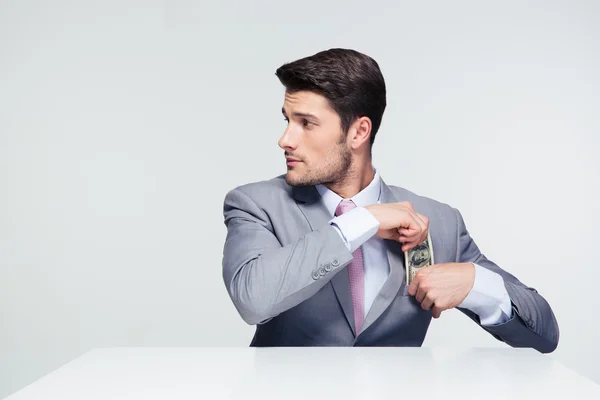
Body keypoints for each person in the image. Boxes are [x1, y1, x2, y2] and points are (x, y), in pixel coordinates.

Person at [221, 48, 559, 352]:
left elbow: (544, 333)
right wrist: (362, 221)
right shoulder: (255, 204)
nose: (285, 139)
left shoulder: (439, 222)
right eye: (287, 120)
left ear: (358, 132)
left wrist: (476, 285)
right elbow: (253, 300)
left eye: (306, 123)